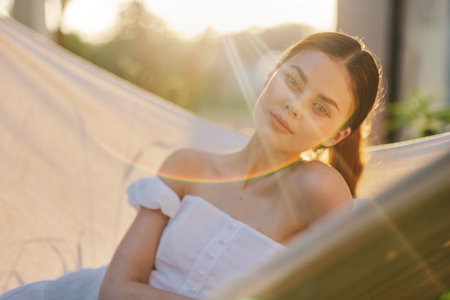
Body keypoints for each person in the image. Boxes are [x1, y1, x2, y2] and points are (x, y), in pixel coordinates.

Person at [0, 31, 381, 300]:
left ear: (337, 136)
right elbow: (115, 291)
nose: (294, 105)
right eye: (293, 81)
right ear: (270, 76)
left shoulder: (318, 188)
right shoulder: (188, 167)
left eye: (320, 108)